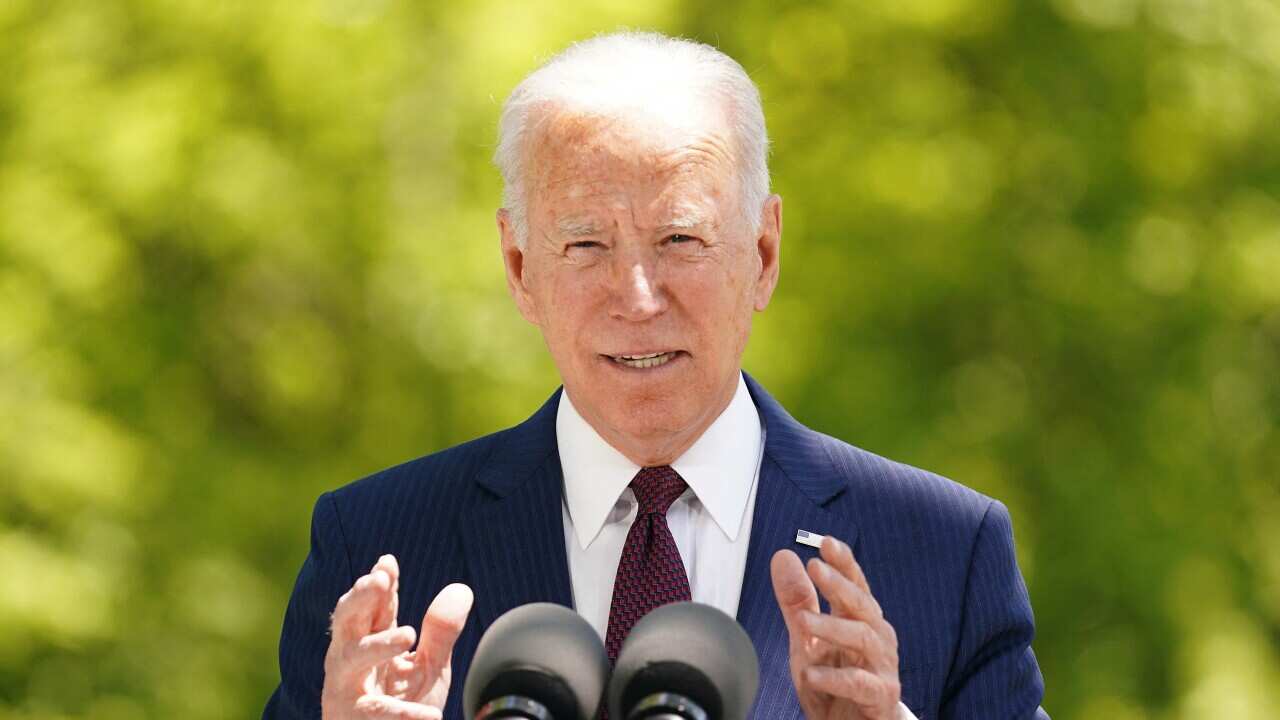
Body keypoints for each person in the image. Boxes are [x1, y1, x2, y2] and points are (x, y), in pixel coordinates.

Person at [263, 31, 1049, 720]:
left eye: (680, 238)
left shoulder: (945, 551)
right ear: (519, 265)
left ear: (763, 255)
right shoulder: (374, 548)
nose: (638, 298)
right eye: (585, 246)